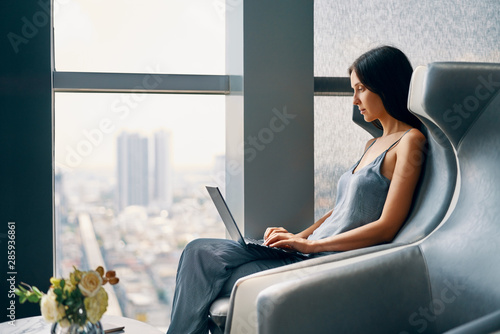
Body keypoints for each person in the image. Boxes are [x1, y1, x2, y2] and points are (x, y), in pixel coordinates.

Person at [166, 45, 426, 334]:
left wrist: (311, 246)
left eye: (361, 89)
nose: (354, 100)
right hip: (307, 252)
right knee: (197, 251)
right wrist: (297, 237)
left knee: (211, 276)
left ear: (386, 85)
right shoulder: (371, 144)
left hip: (325, 261)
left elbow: (387, 227)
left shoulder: (410, 141)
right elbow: (340, 211)